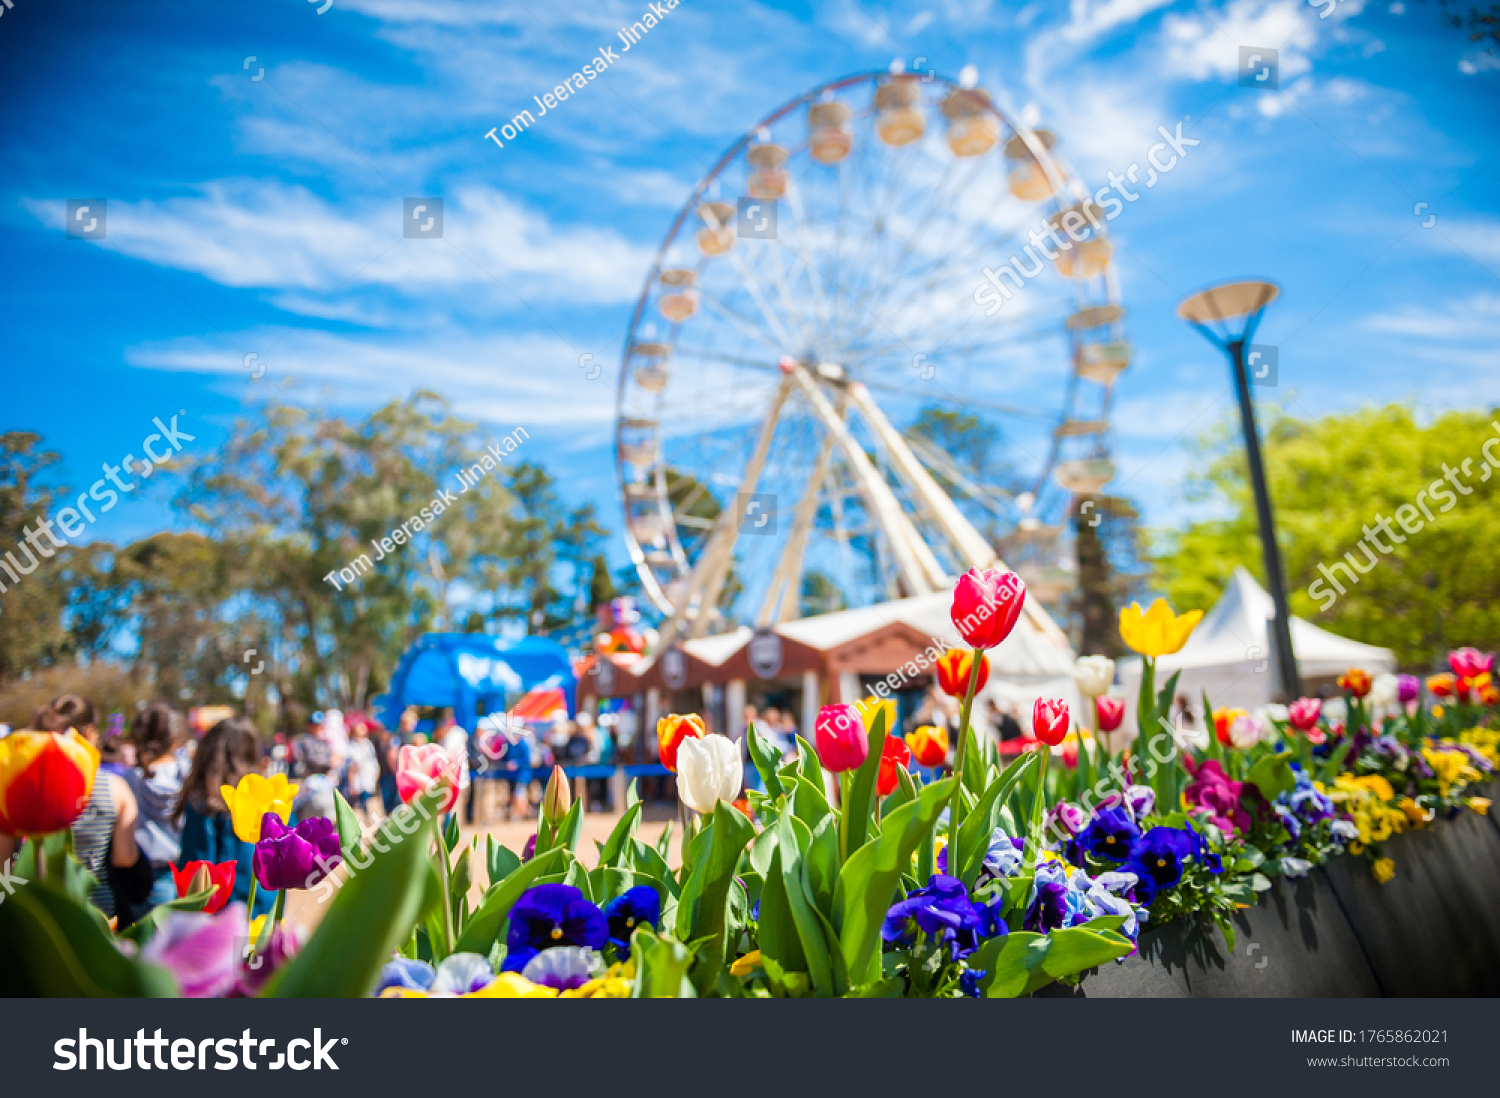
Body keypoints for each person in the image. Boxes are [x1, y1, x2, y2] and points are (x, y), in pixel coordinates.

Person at [173, 717, 274, 917]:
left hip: (223, 915)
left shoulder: (206, 804)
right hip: (265, 910)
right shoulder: (273, 798)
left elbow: (197, 867)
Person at [120, 701, 190, 926]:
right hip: (181, 875)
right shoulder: (189, 777)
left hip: (139, 877)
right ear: (176, 737)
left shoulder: (130, 779)